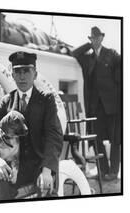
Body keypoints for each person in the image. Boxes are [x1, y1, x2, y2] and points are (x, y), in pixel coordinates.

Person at [0, 51, 63, 200]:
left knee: (47, 194)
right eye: (17, 71)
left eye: (26, 71)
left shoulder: (46, 100)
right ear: (12, 75)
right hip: (10, 167)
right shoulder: (6, 101)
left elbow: (54, 136)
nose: (22, 76)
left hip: (39, 166)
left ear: (35, 74)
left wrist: (47, 170)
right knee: (0, 193)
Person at [72, 26, 121, 181]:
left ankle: (113, 171)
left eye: (98, 37)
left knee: (115, 139)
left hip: (112, 106)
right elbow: (75, 53)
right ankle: (103, 170)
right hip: (95, 107)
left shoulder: (112, 54)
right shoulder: (87, 58)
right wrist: (89, 45)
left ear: (102, 37)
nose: (96, 39)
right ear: (91, 39)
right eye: (93, 37)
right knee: (97, 140)